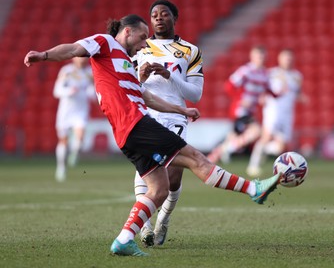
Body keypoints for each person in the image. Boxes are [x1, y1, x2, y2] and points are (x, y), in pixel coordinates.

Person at [24, 14, 282, 257]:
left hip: (127, 133)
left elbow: (146, 96)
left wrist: (182, 109)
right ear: (128, 31)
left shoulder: (125, 64)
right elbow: (72, 49)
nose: (145, 42)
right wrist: (43, 55)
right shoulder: (104, 43)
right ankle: (253, 189)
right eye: (142, 36)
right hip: (136, 124)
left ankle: (124, 240)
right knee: (194, 158)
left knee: (158, 189)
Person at [133, 0, 204, 247]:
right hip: (145, 114)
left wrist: (169, 75)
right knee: (146, 170)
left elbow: (195, 95)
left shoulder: (190, 51)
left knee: (172, 175)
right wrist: (139, 78)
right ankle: (146, 227)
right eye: (154, 15)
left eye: (164, 14)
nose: (158, 18)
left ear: (175, 18)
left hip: (175, 115)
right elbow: (127, 88)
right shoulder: (138, 49)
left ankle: (164, 217)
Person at [207, 45, 272, 164]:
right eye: (258, 56)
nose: (260, 59)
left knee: (233, 138)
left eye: (262, 57)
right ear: (252, 57)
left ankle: (211, 158)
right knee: (256, 131)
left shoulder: (264, 74)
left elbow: (268, 90)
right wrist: (241, 99)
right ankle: (227, 150)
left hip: (250, 111)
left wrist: (268, 96)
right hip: (240, 110)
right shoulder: (246, 71)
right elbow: (229, 86)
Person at [247, 49, 307, 176]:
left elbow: (297, 92)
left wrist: (302, 97)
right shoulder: (272, 73)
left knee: (281, 146)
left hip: (287, 113)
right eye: (286, 58)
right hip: (273, 110)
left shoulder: (297, 76)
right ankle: (253, 165)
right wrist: (262, 96)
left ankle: (262, 152)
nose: (288, 61)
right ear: (280, 59)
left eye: (290, 59)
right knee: (266, 136)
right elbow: (264, 86)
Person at [53, 57, 95, 182]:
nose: (82, 59)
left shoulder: (90, 72)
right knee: (63, 141)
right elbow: (57, 91)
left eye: (85, 57)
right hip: (65, 111)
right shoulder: (66, 71)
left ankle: (75, 154)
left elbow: (93, 92)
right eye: (80, 57)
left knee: (80, 137)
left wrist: (90, 91)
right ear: (74, 58)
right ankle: (61, 167)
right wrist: (68, 91)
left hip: (81, 110)